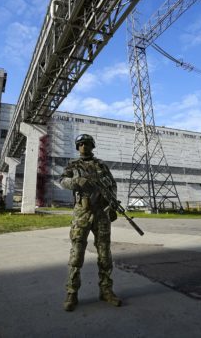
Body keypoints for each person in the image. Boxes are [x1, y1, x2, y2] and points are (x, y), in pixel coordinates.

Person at [60, 133, 121, 312]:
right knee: (77, 254)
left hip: (101, 213)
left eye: (87, 144)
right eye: (80, 144)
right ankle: (72, 293)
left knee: (104, 255)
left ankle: (106, 290)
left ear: (92, 146)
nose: (83, 147)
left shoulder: (101, 165)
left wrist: (112, 205)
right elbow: (62, 181)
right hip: (82, 213)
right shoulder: (73, 165)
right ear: (77, 147)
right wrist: (75, 181)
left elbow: (112, 186)